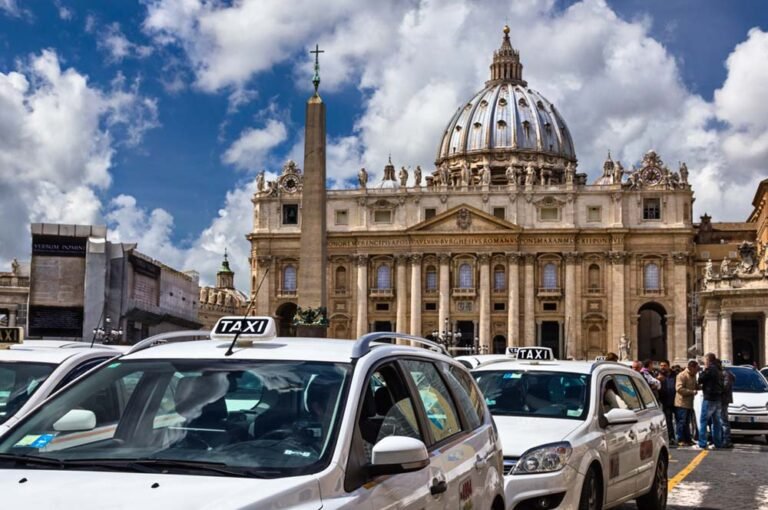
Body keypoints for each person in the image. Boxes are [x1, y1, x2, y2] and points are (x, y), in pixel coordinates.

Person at [697, 353, 724, 449]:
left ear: (708, 360)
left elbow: (700, 379)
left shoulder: (710, 369)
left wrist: (704, 370)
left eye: (705, 360)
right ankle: (718, 442)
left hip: (709, 397)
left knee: (703, 420)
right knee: (717, 422)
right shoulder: (719, 370)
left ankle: (702, 443)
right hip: (718, 398)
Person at [675, 360, 698, 446]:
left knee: (687, 422)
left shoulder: (693, 375)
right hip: (681, 403)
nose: (697, 370)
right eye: (696, 369)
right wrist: (692, 392)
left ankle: (688, 439)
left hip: (689, 403)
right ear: (691, 368)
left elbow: (695, 385)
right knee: (682, 422)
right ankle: (680, 439)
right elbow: (679, 389)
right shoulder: (682, 375)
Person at [657, 360, 677, 446]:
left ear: (668, 366)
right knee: (668, 421)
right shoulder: (658, 376)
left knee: (679, 420)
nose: (662, 367)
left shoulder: (675, 375)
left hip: (675, 400)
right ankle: (670, 437)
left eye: (664, 365)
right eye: (661, 365)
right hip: (665, 401)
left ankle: (678, 437)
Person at [719, 363, 735, 448]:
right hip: (723, 400)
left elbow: (724, 387)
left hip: (723, 400)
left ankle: (726, 440)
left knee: (723, 420)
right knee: (722, 420)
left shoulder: (725, 374)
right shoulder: (725, 374)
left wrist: (716, 388)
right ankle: (723, 439)